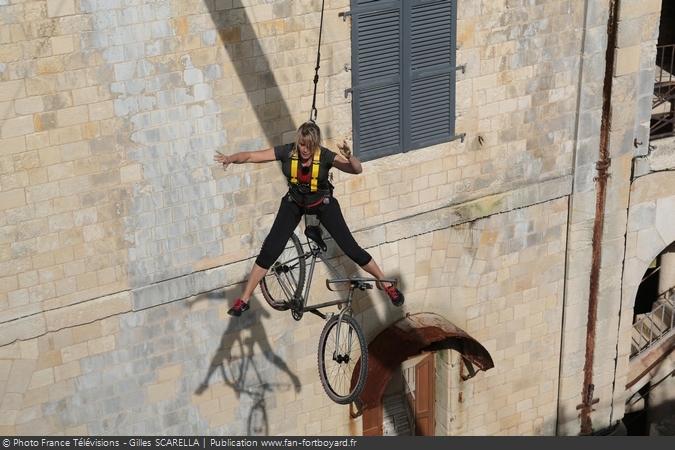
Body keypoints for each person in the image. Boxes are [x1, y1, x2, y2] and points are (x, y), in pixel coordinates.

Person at [214, 121, 404, 317]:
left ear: (316, 144)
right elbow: (253, 156)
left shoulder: (325, 156)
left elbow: (356, 169)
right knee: (271, 248)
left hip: (322, 204)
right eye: (302, 144)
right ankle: (244, 299)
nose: (305, 150)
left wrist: (349, 156)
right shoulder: (288, 152)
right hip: (294, 203)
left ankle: (384, 282)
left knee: (351, 248)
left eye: (309, 146)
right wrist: (231, 158)